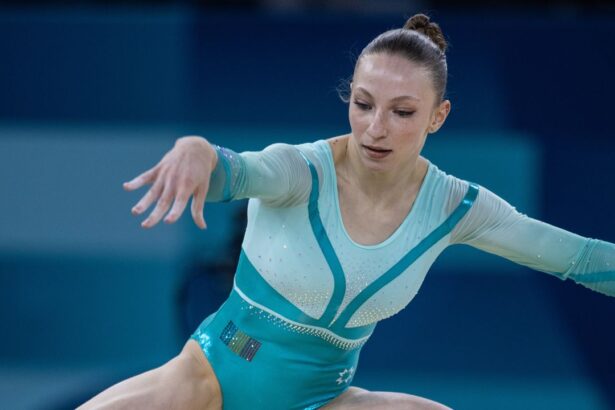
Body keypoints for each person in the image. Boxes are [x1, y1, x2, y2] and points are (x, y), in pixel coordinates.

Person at [78, 13, 615, 410]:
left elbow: (580, 258)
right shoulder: (300, 171)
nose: (376, 128)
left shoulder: (455, 207)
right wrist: (196, 150)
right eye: (363, 104)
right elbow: (233, 170)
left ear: (438, 116)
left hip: (324, 400)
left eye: (402, 112)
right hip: (210, 377)